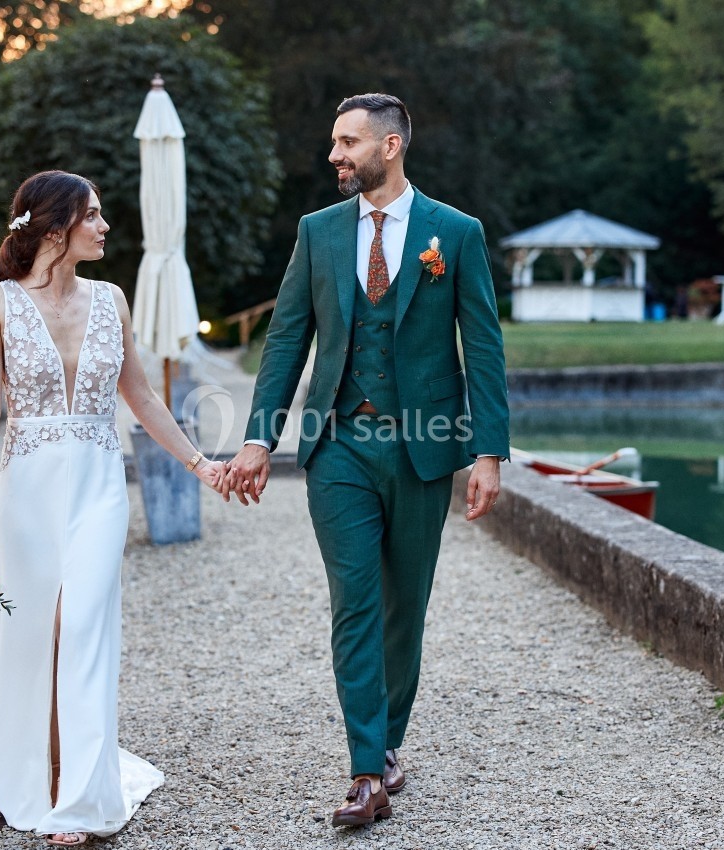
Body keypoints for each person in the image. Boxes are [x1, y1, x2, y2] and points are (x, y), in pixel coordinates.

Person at [223, 94, 509, 826]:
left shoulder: (456, 234)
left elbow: (482, 347)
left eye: (347, 142)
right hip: (337, 447)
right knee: (355, 601)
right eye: (333, 142)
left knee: (402, 609)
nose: (334, 155)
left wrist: (488, 453)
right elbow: (286, 339)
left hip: (422, 449)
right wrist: (259, 438)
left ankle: (387, 746)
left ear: (390, 145)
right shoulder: (317, 233)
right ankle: (364, 770)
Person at [0, 170, 225, 846]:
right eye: (93, 216)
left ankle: (79, 799)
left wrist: (201, 464)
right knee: (32, 632)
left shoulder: (112, 300)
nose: (104, 228)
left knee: (85, 626)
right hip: (28, 491)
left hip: (98, 488)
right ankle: (38, 772)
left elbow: (143, 399)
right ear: (54, 226)